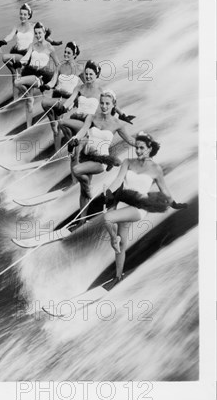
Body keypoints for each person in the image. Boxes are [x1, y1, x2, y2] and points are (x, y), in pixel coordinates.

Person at [100, 132, 187, 287]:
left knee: (107, 218)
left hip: (138, 208)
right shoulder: (127, 162)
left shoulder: (156, 169)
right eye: (136, 148)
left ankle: (114, 239)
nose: (138, 151)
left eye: (141, 148)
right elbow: (118, 180)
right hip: (123, 204)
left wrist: (174, 204)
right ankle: (118, 277)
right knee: (122, 244)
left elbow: (165, 190)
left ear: (149, 149)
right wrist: (108, 193)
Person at [69, 90, 136, 211]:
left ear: (113, 105)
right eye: (102, 103)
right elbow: (83, 130)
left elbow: (130, 140)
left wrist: (146, 145)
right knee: (82, 191)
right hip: (86, 156)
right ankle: (81, 221)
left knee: (76, 170)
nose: (104, 106)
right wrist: (75, 138)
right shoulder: (92, 117)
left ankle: (90, 191)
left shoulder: (118, 123)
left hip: (102, 161)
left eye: (107, 103)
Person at [58, 60, 135, 141]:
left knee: (62, 122)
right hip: (77, 117)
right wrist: (63, 107)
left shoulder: (101, 91)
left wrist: (123, 115)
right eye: (86, 74)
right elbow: (71, 99)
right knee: (62, 125)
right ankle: (73, 146)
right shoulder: (79, 88)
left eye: (91, 74)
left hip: (88, 122)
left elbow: (113, 104)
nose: (88, 76)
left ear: (96, 75)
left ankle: (78, 144)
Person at [0, 3, 62, 99]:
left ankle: (34, 95)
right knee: (15, 73)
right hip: (17, 52)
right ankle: (17, 98)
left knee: (15, 67)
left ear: (29, 15)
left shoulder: (34, 26)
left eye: (25, 14)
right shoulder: (17, 26)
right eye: (21, 14)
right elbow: (10, 36)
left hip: (27, 54)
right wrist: (4, 41)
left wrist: (54, 42)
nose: (22, 16)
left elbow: (43, 35)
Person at [14, 22, 61, 127]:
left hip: (41, 76)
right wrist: (20, 62)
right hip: (29, 71)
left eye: (40, 33)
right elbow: (26, 57)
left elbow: (58, 64)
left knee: (17, 82)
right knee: (28, 103)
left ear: (44, 33)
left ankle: (56, 123)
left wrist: (55, 78)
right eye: (36, 33)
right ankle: (28, 126)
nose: (38, 35)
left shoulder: (50, 47)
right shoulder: (32, 45)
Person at [40, 41, 84, 150]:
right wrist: (46, 86)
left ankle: (72, 145)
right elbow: (52, 82)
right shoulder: (60, 66)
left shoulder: (79, 68)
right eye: (65, 52)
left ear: (74, 55)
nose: (65, 54)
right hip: (56, 96)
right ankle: (56, 153)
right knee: (55, 128)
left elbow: (86, 85)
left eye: (69, 53)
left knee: (59, 121)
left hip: (68, 100)